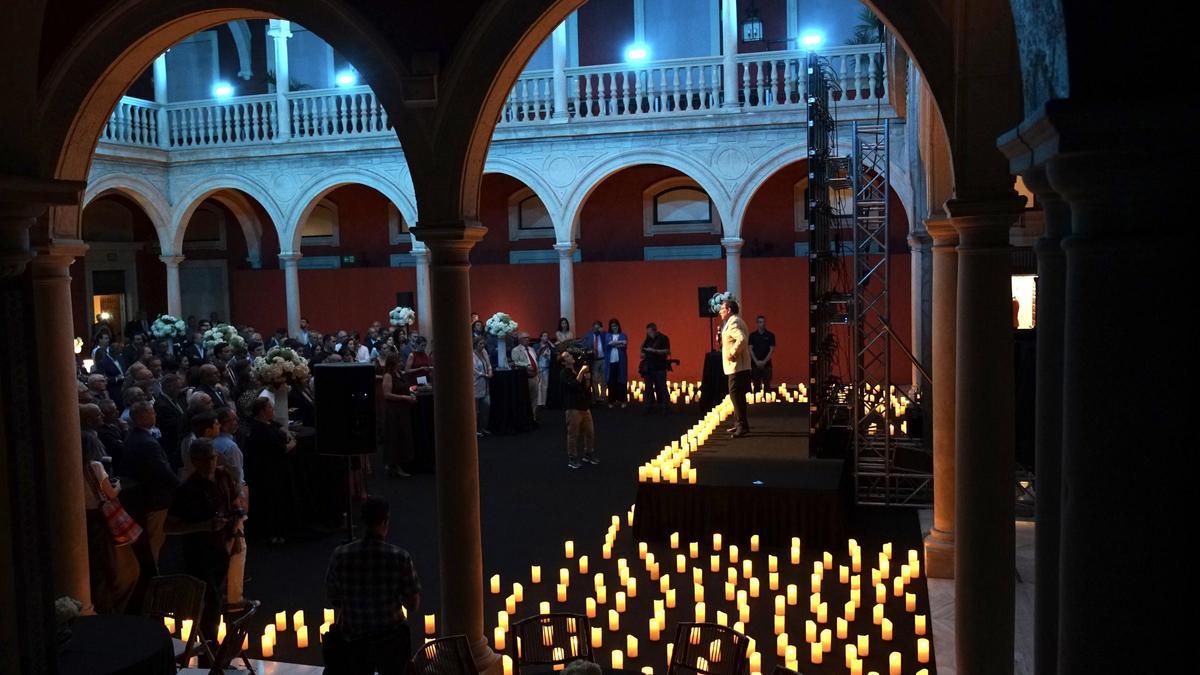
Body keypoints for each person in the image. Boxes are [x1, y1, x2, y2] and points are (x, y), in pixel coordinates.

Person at [324, 497, 421, 675]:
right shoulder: (399, 557)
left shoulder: (340, 555)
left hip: (353, 640)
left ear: (363, 522)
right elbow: (413, 604)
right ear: (385, 522)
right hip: (391, 640)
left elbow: (333, 595)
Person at [166, 438, 241, 652]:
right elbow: (169, 527)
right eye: (205, 459)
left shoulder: (223, 476)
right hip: (199, 552)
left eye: (213, 457)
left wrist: (233, 533)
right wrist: (204, 526)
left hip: (221, 547)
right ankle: (210, 650)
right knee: (211, 602)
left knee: (218, 597)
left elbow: (234, 504)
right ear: (195, 461)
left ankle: (211, 647)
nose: (210, 463)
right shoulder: (187, 489)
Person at [81, 404, 139, 614]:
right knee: (122, 569)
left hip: (84, 521)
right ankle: (114, 611)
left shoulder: (69, 467)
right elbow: (111, 493)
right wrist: (118, 485)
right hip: (102, 521)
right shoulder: (94, 466)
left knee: (97, 570)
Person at [245, 396, 295, 544]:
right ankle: (273, 532)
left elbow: (278, 426)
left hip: (274, 469)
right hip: (269, 472)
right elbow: (281, 449)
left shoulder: (266, 424)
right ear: (261, 411)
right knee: (272, 501)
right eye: (270, 408)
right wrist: (292, 442)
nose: (273, 411)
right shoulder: (260, 430)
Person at [213, 406, 249, 605]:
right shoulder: (229, 447)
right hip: (233, 498)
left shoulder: (214, 443)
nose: (237, 423)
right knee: (238, 548)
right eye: (233, 420)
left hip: (222, 499)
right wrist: (240, 499)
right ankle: (235, 597)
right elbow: (237, 475)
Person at [719, 300, 752, 437]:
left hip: (737, 367)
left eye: (722, 308)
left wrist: (733, 353)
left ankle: (741, 426)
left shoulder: (734, 322)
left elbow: (742, 339)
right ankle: (741, 423)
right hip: (739, 367)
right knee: (738, 397)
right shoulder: (736, 321)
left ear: (729, 310)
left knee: (736, 397)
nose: (720, 311)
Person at [380, 352, 416, 478]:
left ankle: (398, 464)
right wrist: (404, 397)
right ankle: (394, 465)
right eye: (399, 361)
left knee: (402, 437)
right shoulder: (388, 376)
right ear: (393, 363)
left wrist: (409, 394)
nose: (401, 363)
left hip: (403, 410)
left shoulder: (399, 374)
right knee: (394, 437)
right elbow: (387, 394)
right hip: (394, 411)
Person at [559, 351, 597, 469]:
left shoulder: (576, 369)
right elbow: (573, 385)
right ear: (564, 362)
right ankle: (573, 458)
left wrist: (587, 380)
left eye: (570, 355)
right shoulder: (564, 373)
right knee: (573, 434)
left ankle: (588, 453)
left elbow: (585, 388)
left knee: (590, 432)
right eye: (568, 357)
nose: (571, 357)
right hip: (572, 407)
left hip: (584, 405)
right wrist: (581, 372)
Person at [154, 374, 187, 470]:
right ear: (169, 387)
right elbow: (172, 426)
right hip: (172, 446)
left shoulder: (178, 398)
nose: (180, 390)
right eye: (177, 387)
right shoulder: (161, 404)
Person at [639, 323, 671, 413]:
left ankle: (665, 405)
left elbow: (667, 351)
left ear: (655, 330)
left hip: (660, 366)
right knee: (648, 387)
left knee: (662, 386)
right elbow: (642, 351)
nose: (649, 334)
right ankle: (648, 405)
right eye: (647, 333)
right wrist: (643, 353)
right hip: (649, 367)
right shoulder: (647, 339)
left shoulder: (663, 338)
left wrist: (654, 351)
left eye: (650, 332)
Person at [509, 332, 541, 420]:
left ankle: (533, 417)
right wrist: (526, 365)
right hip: (525, 377)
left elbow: (535, 360)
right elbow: (515, 362)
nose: (527, 339)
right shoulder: (515, 350)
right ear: (520, 340)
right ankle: (526, 418)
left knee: (534, 398)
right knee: (526, 398)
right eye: (525, 338)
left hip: (535, 375)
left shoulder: (532, 349)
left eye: (528, 338)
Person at [602, 319, 629, 408]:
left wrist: (614, 344)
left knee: (621, 381)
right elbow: (608, 343)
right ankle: (611, 401)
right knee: (611, 382)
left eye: (616, 326)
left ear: (618, 326)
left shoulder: (622, 335)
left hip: (621, 362)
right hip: (611, 362)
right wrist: (619, 343)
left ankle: (623, 401)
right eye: (613, 326)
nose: (614, 327)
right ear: (610, 327)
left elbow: (624, 344)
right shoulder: (608, 335)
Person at [749, 315, 776, 393]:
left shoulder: (770, 335)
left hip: (767, 365)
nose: (762, 324)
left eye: (763, 322)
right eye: (760, 322)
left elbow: (771, 350)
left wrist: (764, 361)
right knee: (756, 386)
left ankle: (767, 404)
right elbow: (750, 349)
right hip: (755, 365)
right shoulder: (752, 336)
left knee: (767, 386)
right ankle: (757, 405)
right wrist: (756, 361)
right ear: (757, 323)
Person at [472, 337, 493, 437]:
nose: (483, 345)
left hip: (485, 384)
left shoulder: (484, 352)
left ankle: (483, 427)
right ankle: (475, 430)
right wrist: (484, 374)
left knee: (486, 406)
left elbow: (488, 364)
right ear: (475, 344)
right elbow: (474, 369)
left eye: (483, 344)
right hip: (476, 383)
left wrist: (490, 371)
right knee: (476, 410)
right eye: (480, 344)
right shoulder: (471, 354)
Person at [584, 321, 607, 402]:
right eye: (595, 327)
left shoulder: (604, 334)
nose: (596, 329)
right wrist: (590, 350)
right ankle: (596, 396)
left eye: (598, 328)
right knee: (594, 379)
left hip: (603, 359)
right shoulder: (588, 335)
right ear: (592, 327)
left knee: (604, 379)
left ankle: (603, 396)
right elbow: (585, 345)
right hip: (594, 360)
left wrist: (602, 333)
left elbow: (607, 342)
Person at [536, 332, 554, 408]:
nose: (546, 337)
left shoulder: (549, 347)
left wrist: (547, 356)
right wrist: (541, 350)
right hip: (538, 367)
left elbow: (551, 358)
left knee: (545, 386)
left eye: (547, 336)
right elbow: (535, 355)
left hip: (546, 367)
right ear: (541, 337)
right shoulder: (536, 345)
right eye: (544, 336)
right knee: (538, 385)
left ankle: (544, 402)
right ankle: (537, 402)